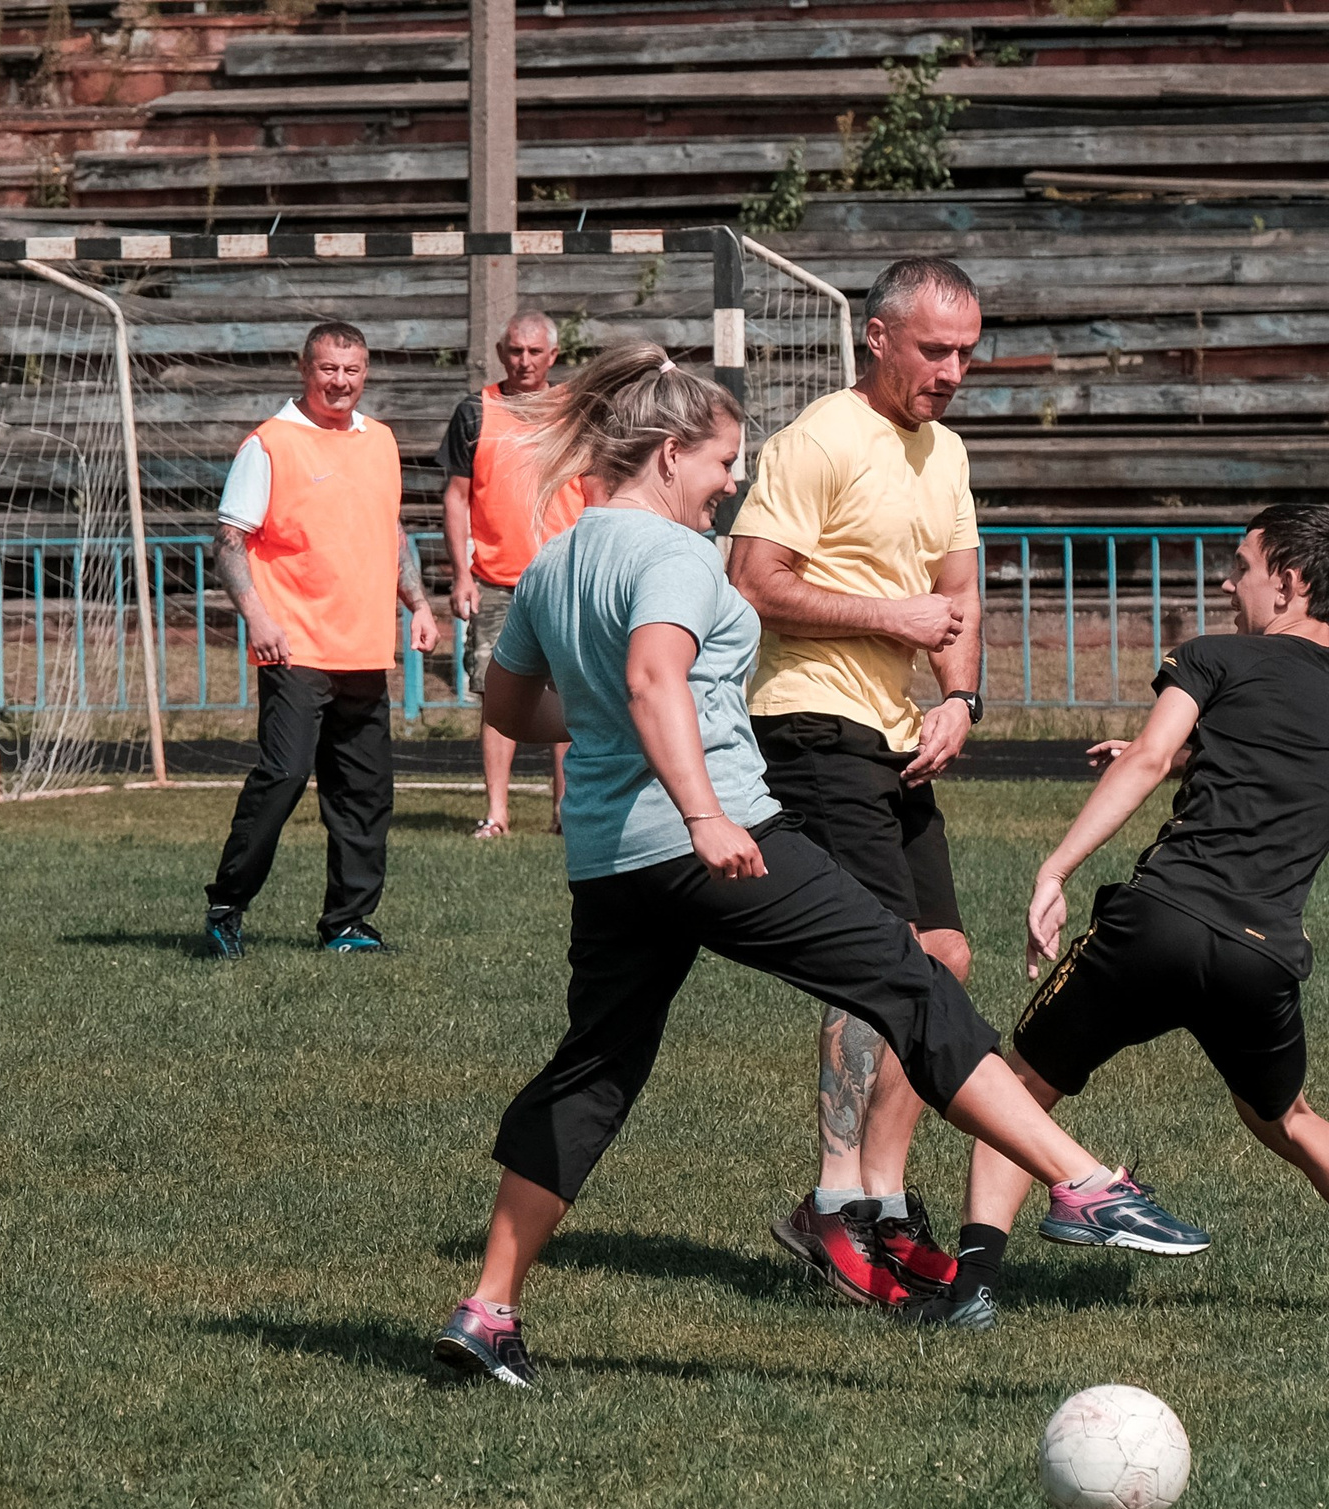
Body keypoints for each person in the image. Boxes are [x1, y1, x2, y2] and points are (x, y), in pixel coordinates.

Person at [428, 343, 1209, 1389]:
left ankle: (488, 1310)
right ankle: (1078, 1183)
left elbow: (510, 708)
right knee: (909, 978)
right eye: (720, 463)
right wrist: (702, 810)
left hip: (610, 866)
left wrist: (616, 728)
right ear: (667, 456)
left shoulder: (558, 560)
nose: (730, 483)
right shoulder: (669, 557)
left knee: (593, 1073)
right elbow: (659, 679)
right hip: (718, 843)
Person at [913, 504, 1329, 1332]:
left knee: (1019, 1090)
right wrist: (1175, 755)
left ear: (1290, 582)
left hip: (1160, 923)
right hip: (1260, 955)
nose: (1228, 584)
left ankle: (972, 1288)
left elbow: (1161, 756)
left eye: (1242, 566)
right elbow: (1264, 759)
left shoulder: (1212, 656)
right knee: (1288, 1120)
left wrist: (1056, 866)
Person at [726, 257, 986, 1309]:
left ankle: (881, 1198)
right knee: (879, 959)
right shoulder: (820, 440)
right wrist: (893, 619)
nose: (953, 371)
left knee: (947, 956)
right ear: (876, 338)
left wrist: (959, 700)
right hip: (809, 726)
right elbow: (753, 581)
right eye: (935, 350)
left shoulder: (948, 451)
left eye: (967, 351)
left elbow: (958, 594)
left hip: (897, 736)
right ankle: (835, 1205)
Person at [202, 322, 438, 957]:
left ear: (366, 373)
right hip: (294, 645)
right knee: (283, 776)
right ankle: (227, 906)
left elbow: (390, 534)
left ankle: (348, 924)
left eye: (353, 370)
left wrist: (417, 603)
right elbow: (228, 544)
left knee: (365, 793)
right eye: (329, 369)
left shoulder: (381, 441)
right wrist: (257, 616)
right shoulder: (270, 444)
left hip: (364, 648)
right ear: (303, 369)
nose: (341, 382)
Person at [440, 311, 589, 840]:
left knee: (569, 695)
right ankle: (496, 814)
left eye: (534, 352)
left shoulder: (576, 410)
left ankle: (566, 812)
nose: (524, 361)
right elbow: (456, 499)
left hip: (565, 579)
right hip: (497, 580)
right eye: (514, 351)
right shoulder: (475, 412)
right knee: (496, 695)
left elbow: (594, 487)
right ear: (502, 353)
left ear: (553, 356)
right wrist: (461, 575)